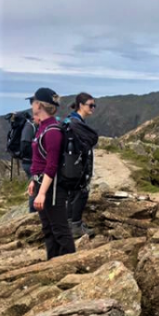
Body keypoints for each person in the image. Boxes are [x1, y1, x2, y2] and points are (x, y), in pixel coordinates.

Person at [26, 88, 75, 259]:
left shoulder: (52, 131)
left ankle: (69, 264)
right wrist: (34, 180)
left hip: (53, 187)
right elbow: (40, 159)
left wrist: (41, 193)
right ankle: (53, 262)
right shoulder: (43, 127)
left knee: (59, 228)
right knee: (48, 228)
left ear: (38, 104)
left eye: (33, 101)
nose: (31, 105)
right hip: (43, 184)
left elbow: (52, 165)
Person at [64, 93, 99, 237]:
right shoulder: (76, 123)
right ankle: (76, 226)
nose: (93, 108)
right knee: (81, 193)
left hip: (70, 164)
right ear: (80, 106)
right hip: (78, 165)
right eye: (90, 105)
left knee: (73, 194)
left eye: (94, 105)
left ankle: (69, 224)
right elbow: (93, 137)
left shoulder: (70, 120)